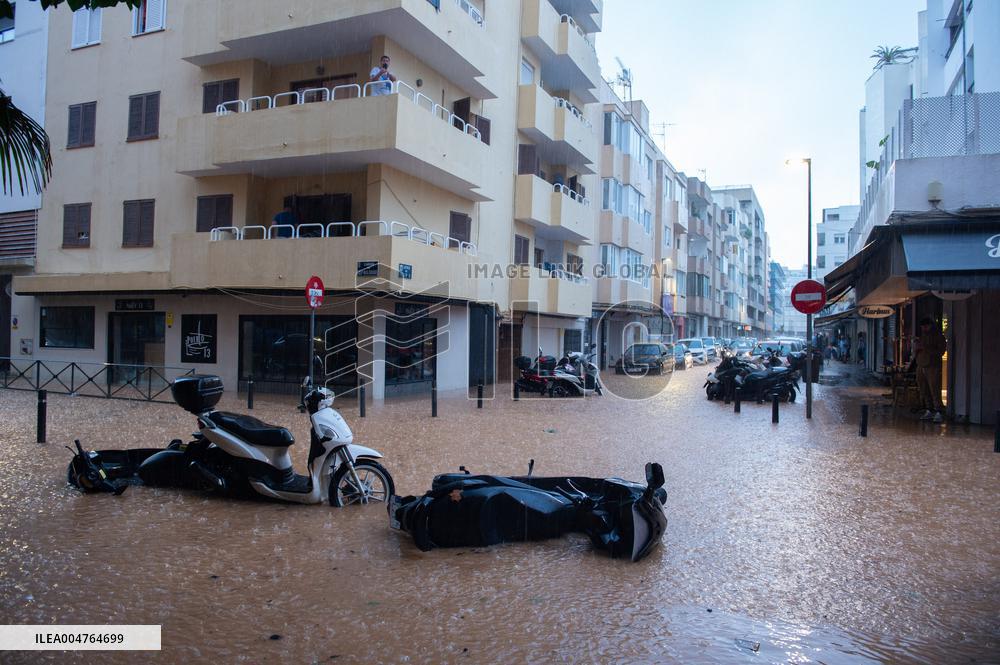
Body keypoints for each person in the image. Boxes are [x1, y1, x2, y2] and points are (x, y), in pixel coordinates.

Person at [914, 317, 946, 423]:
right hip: (921, 364)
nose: (924, 329)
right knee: (923, 388)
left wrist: (926, 348)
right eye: (922, 327)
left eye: (925, 326)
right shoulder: (922, 336)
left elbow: (941, 351)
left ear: (930, 325)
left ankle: (939, 410)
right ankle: (929, 409)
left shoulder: (938, 336)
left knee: (934, 388)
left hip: (933, 365)